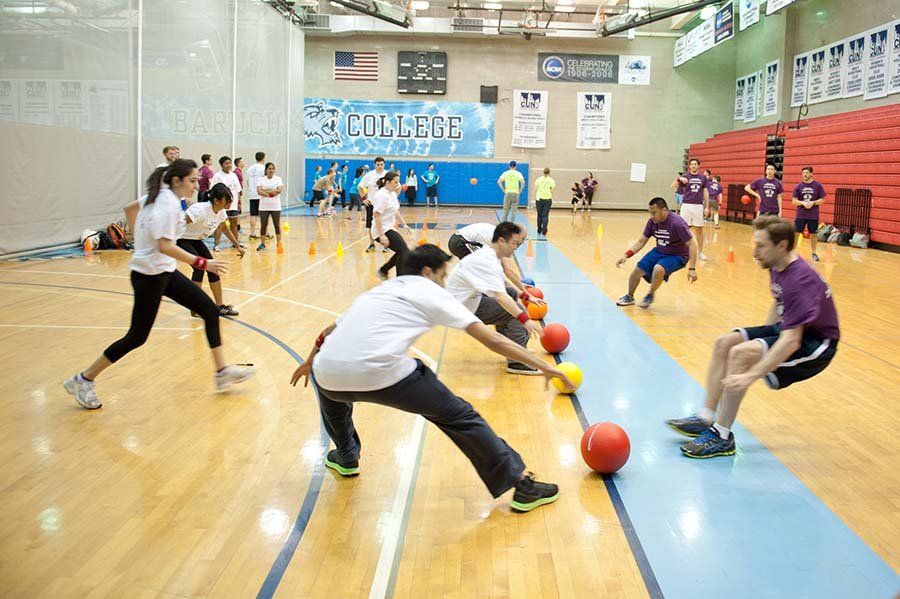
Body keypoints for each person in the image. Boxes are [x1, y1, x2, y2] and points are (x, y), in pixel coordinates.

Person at [290, 244, 573, 512]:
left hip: (326, 371)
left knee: (331, 389)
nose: (444, 282)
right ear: (427, 272)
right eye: (443, 275)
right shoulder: (431, 291)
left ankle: (346, 455)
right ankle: (522, 487)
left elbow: (328, 332)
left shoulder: (380, 291)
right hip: (383, 373)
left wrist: (308, 362)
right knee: (461, 417)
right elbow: (493, 340)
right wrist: (544, 366)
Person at [63, 160, 255, 410]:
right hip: (149, 278)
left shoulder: (158, 197)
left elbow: (129, 209)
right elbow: (165, 245)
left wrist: (140, 243)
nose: (198, 185)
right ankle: (83, 379)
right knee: (136, 337)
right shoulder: (168, 206)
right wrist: (202, 262)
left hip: (164, 272)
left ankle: (221, 372)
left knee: (209, 310)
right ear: (177, 181)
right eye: (193, 180)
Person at [666, 215, 839, 458]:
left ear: (781, 246)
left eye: (760, 246)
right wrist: (764, 337)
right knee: (724, 343)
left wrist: (749, 374)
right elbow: (779, 300)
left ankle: (722, 436)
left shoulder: (800, 280)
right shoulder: (777, 263)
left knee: (741, 354)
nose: (754, 252)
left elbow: (792, 341)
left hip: (816, 345)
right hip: (789, 328)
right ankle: (705, 417)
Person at [446, 222, 543, 375]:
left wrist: (525, 295)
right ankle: (517, 362)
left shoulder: (489, 254)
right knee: (516, 312)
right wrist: (526, 320)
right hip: (462, 308)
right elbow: (500, 296)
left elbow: (504, 282)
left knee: (511, 295)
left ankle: (513, 348)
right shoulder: (486, 260)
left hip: (466, 300)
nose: (516, 247)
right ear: (502, 241)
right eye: (515, 243)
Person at [616, 197, 699, 309]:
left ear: (664, 210)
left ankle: (650, 294)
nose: (652, 216)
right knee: (637, 271)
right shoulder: (652, 222)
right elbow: (641, 241)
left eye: (654, 213)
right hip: (660, 251)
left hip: (678, 255)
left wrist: (692, 269)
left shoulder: (677, 223)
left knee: (658, 268)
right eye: (650, 213)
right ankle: (629, 297)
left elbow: (692, 244)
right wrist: (626, 255)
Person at [178, 182, 243, 317]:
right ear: (216, 200)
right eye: (227, 199)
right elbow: (179, 223)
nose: (230, 202)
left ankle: (220, 306)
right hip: (181, 239)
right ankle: (195, 305)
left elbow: (225, 228)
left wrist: (237, 245)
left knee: (213, 268)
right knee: (199, 268)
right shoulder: (200, 210)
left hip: (195, 240)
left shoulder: (220, 212)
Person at [447, 222, 531, 297]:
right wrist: (524, 290)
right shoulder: (502, 239)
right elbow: (508, 271)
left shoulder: (501, 234)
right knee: (481, 268)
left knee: (479, 268)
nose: (522, 242)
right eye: (522, 238)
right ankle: (482, 295)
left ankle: (472, 292)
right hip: (461, 242)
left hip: (458, 240)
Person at [371, 171, 410, 279]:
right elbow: (377, 215)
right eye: (395, 182)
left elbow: (395, 211)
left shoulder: (392, 194)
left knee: (402, 251)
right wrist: (382, 235)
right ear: (387, 182)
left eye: (398, 182)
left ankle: (384, 270)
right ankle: (399, 279)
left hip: (389, 227)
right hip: (380, 229)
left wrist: (404, 224)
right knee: (404, 251)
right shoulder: (381, 195)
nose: (397, 185)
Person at [673, 159, 709, 261]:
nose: (693, 166)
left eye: (695, 164)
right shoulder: (685, 176)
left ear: (698, 166)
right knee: (684, 229)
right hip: (686, 205)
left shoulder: (703, 178)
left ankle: (700, 252)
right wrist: (678, 179)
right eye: (691, 164)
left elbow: (706, 192)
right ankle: (683, 251)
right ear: (689, 166)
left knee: (699, 230)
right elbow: (673, 188)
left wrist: (707, 207)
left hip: (698, 206)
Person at [792, 166, 827, 262]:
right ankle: (792, 253)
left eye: (807, 173)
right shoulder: (798, 186)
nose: (805, 175)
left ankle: (814, 253)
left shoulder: (818, 186)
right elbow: (794, 201)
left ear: (811, 174)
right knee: (796, 233)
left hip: (813, 215)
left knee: (813, 234)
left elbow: (823, 199)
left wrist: (813, 203)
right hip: (801, 214)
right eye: (803, 173)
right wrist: (802, 203)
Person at [211, 156, 243, 251]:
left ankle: (235, 243)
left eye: (229, 163)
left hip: (233, 205)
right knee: (220, 225)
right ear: (222, 165)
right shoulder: (218, 176)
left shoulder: (233, 175)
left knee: (234, 224)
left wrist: (239, 202)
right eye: (226, 163)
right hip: (222, 206)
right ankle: (216, 244)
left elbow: (238, 190)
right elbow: (213, 190)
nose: (228, 165)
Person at [359, 157, 388, 252]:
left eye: (381, 164)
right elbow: (360, 187)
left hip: (384, 205)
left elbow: (397, 186)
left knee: (385, 225)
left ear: (384, 165)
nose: (380, 166)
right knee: (370, 225)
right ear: (374, 165)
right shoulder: (369, 175)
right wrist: (363, 198)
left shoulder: (388, 175)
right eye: (378, 164)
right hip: (371, 204)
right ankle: (372, 245)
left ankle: (386, 246)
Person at [256, 162, 285, 251]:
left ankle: (279, 243)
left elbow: (279, 190)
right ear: (266, 170)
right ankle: (262, 243)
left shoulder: (278, 179)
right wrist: (271, 193)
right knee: (263, 225)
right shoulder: (261, 179)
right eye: (269, 168)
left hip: (275, 206)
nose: (271, 170)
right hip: (263, 206)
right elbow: (259, 191)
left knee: (276, 225)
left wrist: (267, 190)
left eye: (272, 168)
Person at [245, 151, 266, 240]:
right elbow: (265, 181)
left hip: (252, 194)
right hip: (261, 194)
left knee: (253, 214)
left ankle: (252, 233)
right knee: (264, 215)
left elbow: (247, 182)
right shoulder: (264, 168)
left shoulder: (250, 168)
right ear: (263, 158)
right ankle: (265, 233)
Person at [533, 167, 555, 236]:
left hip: (539, 199)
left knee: (539, 215)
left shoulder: (538, 179)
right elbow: (552, 190)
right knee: (545, 215)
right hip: (547, 199)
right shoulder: (551, 180)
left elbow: (535, 189)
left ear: (543, 172)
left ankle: (539, 229)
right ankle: (544, 230)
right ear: (549, 172)